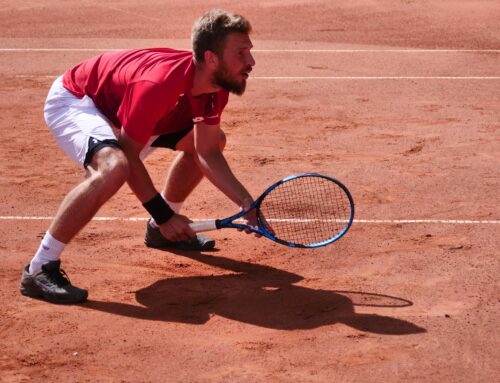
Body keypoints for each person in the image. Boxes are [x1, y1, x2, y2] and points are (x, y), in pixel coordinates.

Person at [19, 9, 257, 304]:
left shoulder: (215, 88)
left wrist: (246, 203)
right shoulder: (158, 85)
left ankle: (161, 233)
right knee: (113, 166)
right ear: (211, 58)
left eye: (249, 52)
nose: (251, 62)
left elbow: (207, 150)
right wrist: (164, 214)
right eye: (241, 53)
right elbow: (129, 154)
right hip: (79, 101)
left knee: (213, 140)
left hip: (134, 116)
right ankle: (40, 267)